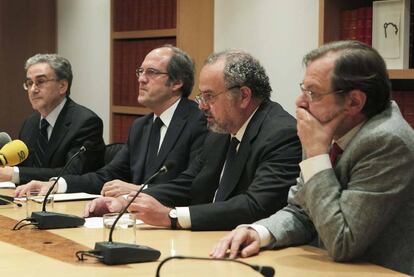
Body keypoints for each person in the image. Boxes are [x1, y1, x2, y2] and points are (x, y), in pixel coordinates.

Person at [210, 41, 414, 275]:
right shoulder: (326, 128)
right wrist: (260, 232)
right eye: (303, 89)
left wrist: (317, 155)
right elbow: (302, 211)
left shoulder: (387, 141)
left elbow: (342, 241)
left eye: (313, 93)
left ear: (354, 102)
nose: (300, 102)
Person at [81, 49, 302, 231]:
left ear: (243, 96)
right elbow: (189, 183)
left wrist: (172, 216)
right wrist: (126, 202)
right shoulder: (220, 132)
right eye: (201, 96)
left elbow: (256, 205)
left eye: (209, 96)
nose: (201, 106)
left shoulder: (281, 134)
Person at [15, 45, 207, 196]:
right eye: (140, 72)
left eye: (152, 72)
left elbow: (194, 183)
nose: (141, 79)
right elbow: (106, 175)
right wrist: (55, 185)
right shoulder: (141, 126)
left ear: (177, 83)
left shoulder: (199, 122)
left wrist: (140, 190)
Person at [0, 54, 105, 185]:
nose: (33, 89)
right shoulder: (30, 123)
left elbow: (72, 173)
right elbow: (26, 168)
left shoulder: (86, 122)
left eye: (40, 82)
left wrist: (15, 174)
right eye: (29, 83)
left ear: (62, 86)